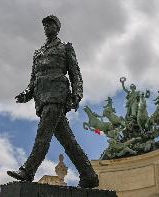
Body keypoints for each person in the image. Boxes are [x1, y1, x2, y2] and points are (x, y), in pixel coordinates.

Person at [7, 15, 99, 188]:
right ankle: (89, 175)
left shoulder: (65, 48)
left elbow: (75, 74)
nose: (47, 28)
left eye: (50, 24)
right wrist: (26, 94)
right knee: (68, 141)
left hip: (57, 96)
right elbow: (33, 80)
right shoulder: (38, 53)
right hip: (42, 99)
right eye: (45, 25)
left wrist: (77, 94)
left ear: (57, 28)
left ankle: (28, 170)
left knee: (43, 135)